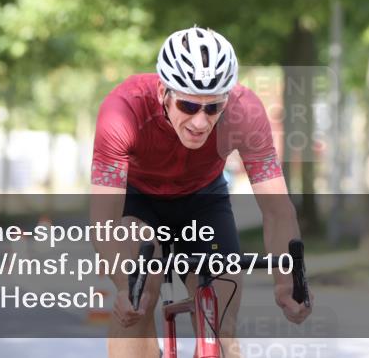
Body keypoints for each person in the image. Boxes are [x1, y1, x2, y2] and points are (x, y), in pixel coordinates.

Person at [90, 26, 312, 357]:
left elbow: (277, 210)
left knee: (222, 325)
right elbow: (104, 221)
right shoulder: (123, 109)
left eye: (213, 108)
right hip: (138, 201)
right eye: (188, 105)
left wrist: (286, 283)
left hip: (202, 201)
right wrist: (125, 287)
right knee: (139, 295)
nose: (200, 122)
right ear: (163, 91)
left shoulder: (245, 113)